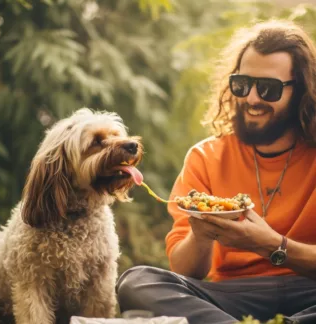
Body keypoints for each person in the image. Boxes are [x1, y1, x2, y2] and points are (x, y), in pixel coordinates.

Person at [116, 20, 316, 324]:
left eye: (268, 89)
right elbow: (186, 271)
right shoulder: (206, 156)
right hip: (231, 295)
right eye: (242, 84)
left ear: (300, 90)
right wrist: (201, 234)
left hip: (309, 290)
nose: (251, 99)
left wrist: (271, 245)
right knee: (137, 283)